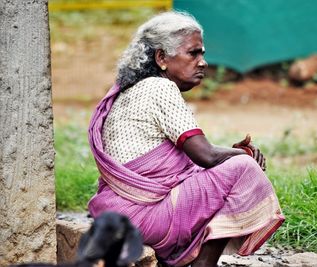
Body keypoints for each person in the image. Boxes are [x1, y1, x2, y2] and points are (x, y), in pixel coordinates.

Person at [88, 11, 284, 267]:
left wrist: (229, 156)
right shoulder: (160, 87)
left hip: (117, 214)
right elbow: (206, 155)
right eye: (193, 53)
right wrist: (244, 156)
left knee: (226, 171)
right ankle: (204, 264)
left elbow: (201, 161)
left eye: (202, 53)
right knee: (242, 169)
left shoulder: (130, 91)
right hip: (143, 216)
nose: (202, 62)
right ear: (161, 58)